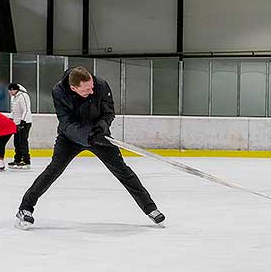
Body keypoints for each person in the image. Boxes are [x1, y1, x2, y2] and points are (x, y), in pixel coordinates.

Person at [15, 66, 165, 229]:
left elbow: (108, 112)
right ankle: (25, 208)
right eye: (86, 89)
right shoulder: (59, 91)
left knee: (123, 171)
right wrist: (88, 137)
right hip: (70, 137)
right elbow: (66, 122)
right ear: (74, 88)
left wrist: (102, 127)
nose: (92, 91)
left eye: (92, 86)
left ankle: (151, 209)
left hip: (99, 135)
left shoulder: (100, 85)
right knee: (53, 171)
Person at [7, 83, 33, 168]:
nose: (11, 92)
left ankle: (26, 160)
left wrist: (23, 121)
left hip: (25, 122)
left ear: (16, 89)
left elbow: (26, 109)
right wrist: (11, 119)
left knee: (23, 141)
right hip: (16, 123)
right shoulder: (13, 98)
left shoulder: (23, 96)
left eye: (12, 90)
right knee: (16, 142)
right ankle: (17, 159)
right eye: (10, 90)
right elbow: (14, 111)